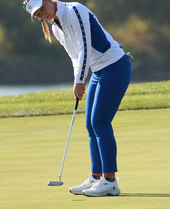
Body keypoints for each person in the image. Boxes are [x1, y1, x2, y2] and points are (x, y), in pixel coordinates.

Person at [23, 0, 131, 196]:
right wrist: (77, 80)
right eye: (38, 15)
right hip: (99, 71)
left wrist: (80, 80)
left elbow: (85, 47)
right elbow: (75, 56)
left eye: (42, 10)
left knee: (100, 122)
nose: (42, 15)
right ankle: (96, 177)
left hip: (115, 66)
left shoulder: (75, 11)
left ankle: (110, 181)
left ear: (49, 1)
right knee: (91, 125)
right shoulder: (56, 27)